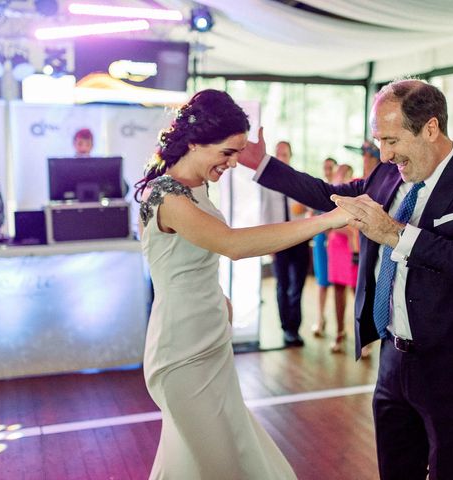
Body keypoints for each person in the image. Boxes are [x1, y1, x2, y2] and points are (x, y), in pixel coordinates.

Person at [239, 78, 453, 480]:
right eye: (378, 141)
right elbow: (326, 193)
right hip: (393, 364)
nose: (384, 154)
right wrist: (261, 165)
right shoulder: (386, 177)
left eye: (391, 140)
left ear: (431, 128)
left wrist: (397, 235)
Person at [135, 89, 349, 479]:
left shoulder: (196, 186)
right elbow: (231, 244)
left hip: (211, 339)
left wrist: (217, 299)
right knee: (228, 467)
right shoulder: (164, 196)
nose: (233, 164)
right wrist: (325, 220)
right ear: (196, 141)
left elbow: (190, 261)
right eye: (228, 153)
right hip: (180, 351)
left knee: (197, 463)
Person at [260, 141, 310, 347]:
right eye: (278, 154)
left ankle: (295, 329)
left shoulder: (299, 179)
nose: (282, 157)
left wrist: (304, 207)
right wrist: (268, 244)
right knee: (283, 285)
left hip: (299, 238)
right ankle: (286, 328)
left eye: (285, 154)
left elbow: (309, 205)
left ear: (291, 156)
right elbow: (265, 213)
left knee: (298, 285)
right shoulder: (268, 183)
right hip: (278, 240)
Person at [326, 164, 358, 353]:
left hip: (354, 246)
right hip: (337, 244)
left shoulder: (357, 190)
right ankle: (339, 332)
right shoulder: (334, 192)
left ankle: (364, 338)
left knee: (357, 291)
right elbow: (328, 220)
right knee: (338, 289)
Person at [310, 156, 337, 336]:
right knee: (322, 282)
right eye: (325, 168)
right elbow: (311, 213)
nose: (327, 171)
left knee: (340, 284)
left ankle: (340, 326)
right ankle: (320, 319)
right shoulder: (318, 189)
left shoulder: (341, 190)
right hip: (321, 239)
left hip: (337, 240)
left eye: (330, 168)